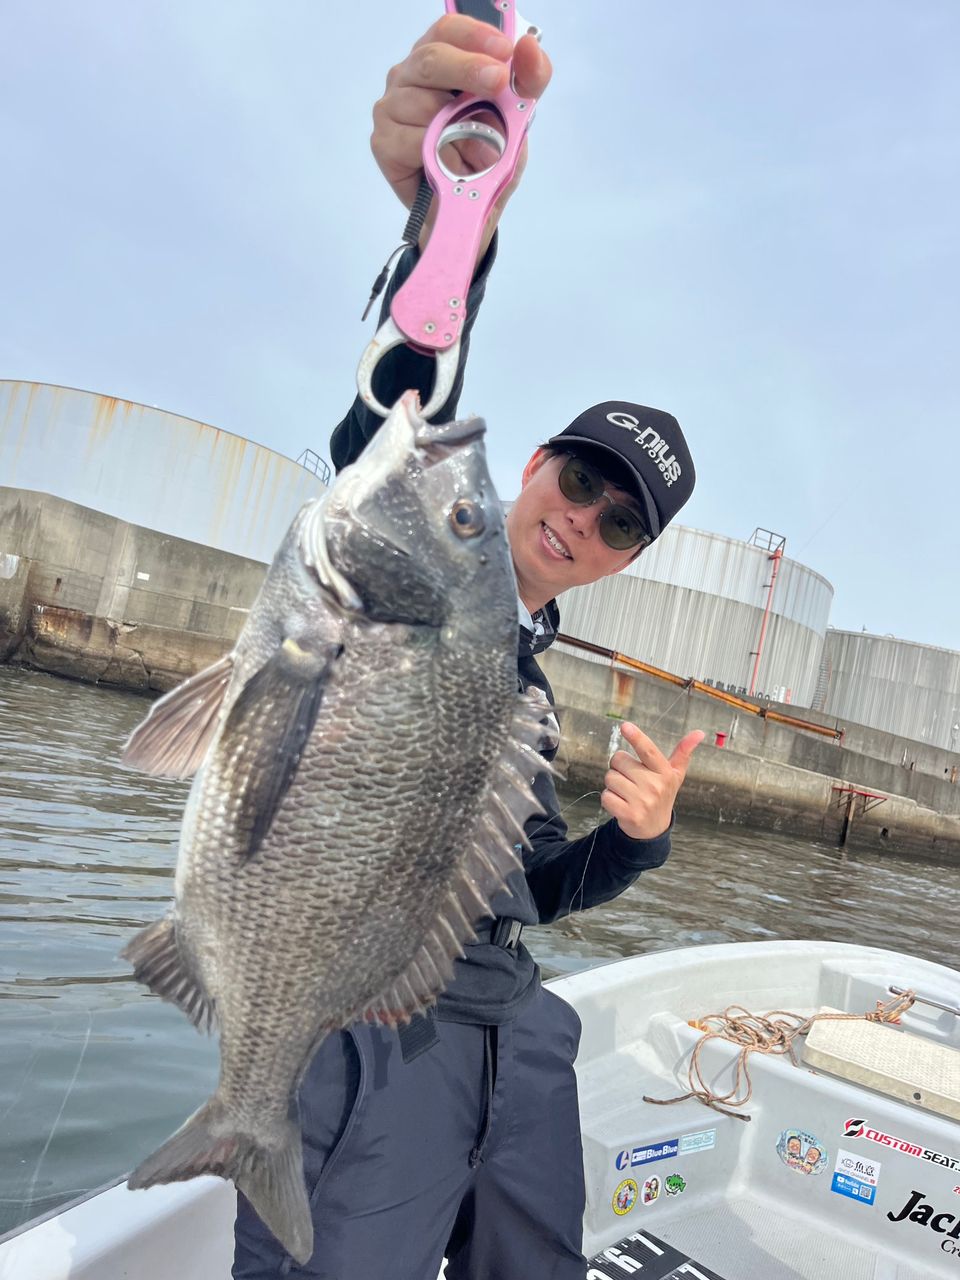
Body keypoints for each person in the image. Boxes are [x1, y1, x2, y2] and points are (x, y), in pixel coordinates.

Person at [234, 14, 702, 1280]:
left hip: (514, 1033)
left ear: (625, 555)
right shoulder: (409, 569)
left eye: (620, 522)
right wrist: (456, 233)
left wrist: (638, 845)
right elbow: (399, 407)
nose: (581, 516)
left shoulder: (528, 689)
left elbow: (536, 887)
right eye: (581, 476)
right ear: (538, 454)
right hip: (371, 1016)